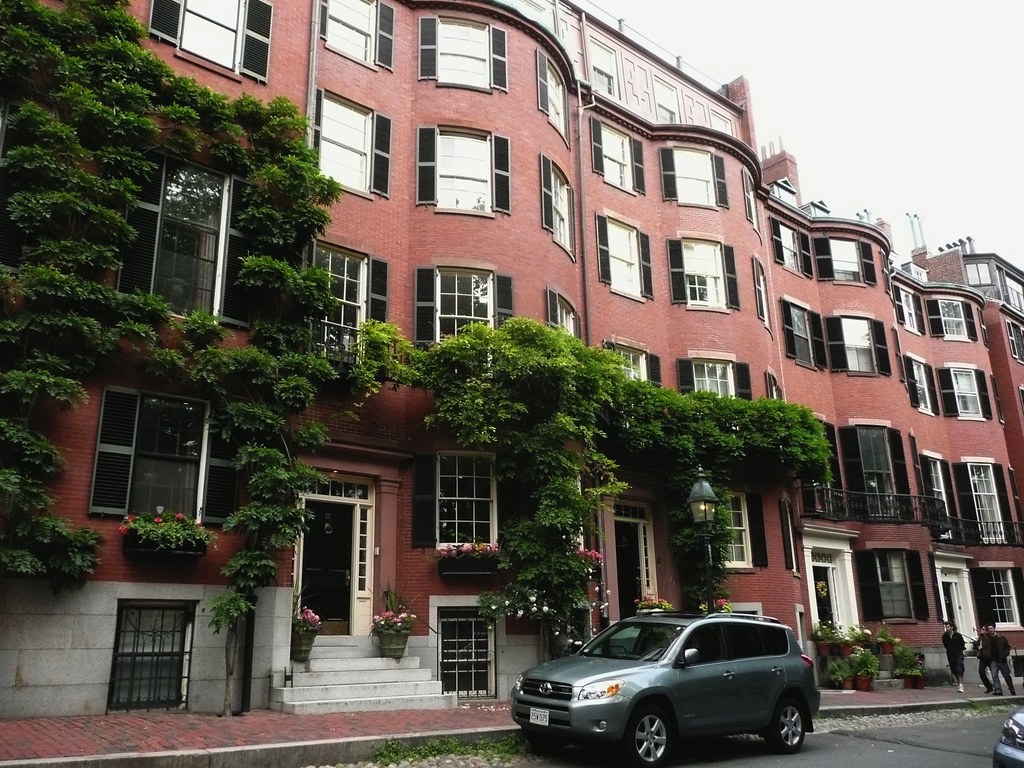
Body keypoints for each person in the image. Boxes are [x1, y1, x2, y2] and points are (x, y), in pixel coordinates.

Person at [989, 624, 1017, 696]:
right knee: (994, 675)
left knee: (1006, 676)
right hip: (993, 660)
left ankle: (1011, 688)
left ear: (994, 629)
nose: (990, 630)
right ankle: (998, 690)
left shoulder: (1001, 638)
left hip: (1002, 660)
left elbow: (1007, 647)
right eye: (989, 629)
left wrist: (1005, 654)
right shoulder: (987, 639)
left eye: (991, 628)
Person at [942, 621, 967, 693]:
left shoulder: (958, 635)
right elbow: (945, 645)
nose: (947, 628)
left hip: (958, 653)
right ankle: (959, 682)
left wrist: (960, 651)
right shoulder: (944, 636)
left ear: (952, 627)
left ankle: (961, 685)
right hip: (950, 654)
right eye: (946, 627)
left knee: (959, 667)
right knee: (953, 669)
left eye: (948, 627)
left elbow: (962, 644)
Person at [976, 625, 994, 693]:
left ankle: (997, 686)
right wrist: (978, 647)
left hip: (990, 657)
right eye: (981, 629)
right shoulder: (980, 637)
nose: (981, 630)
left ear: (986, 631)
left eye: (983, 629)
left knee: (994, 673)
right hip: (983, 658)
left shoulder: (990, 638)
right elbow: (977, 645)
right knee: (981, 672)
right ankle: (989, 686)